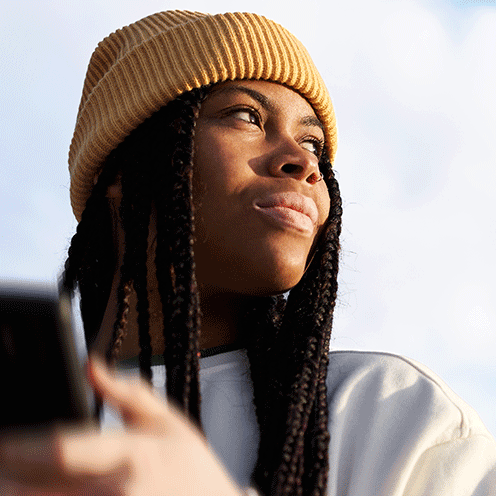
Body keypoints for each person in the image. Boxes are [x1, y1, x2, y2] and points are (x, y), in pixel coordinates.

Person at [1, 10, 495, 496]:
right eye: (246, 116)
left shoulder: (393, 415)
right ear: (122, 173)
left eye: (313, 144)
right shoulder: (21, 429)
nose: (304, 163)